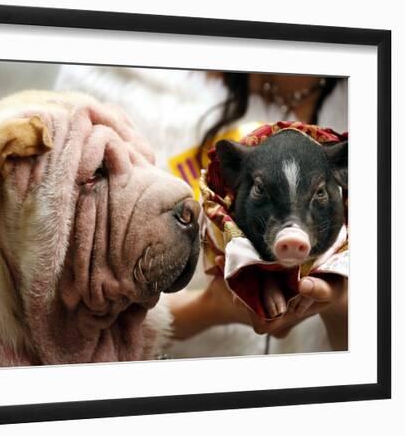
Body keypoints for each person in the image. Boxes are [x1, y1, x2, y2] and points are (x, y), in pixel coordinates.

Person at [54, 66, 348, 356]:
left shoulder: (378, 97)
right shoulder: (118, 80)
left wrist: (341, 301)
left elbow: (383, 361)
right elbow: (62, 303)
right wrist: (211, 307)